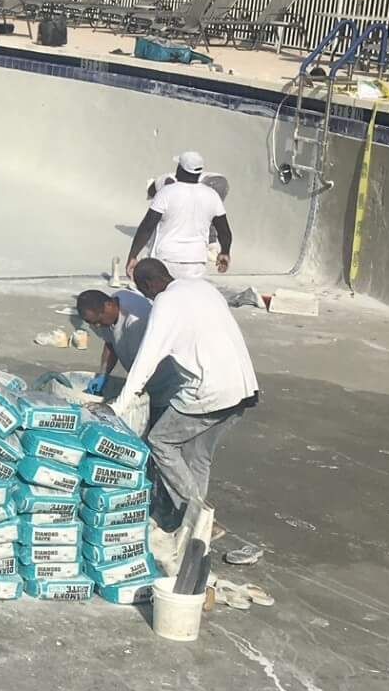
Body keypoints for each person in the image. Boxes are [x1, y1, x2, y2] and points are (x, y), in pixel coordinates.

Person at [107, 257, 259, 571]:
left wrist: (117, 407)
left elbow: (146, 361)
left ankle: (198, 513)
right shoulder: (201, 287)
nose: (146, 298)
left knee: (161, 441)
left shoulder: (165, 304)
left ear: (150, 284)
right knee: (197, 455)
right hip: (244, 386)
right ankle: (196, 528)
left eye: (143, 291)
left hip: (210, 391)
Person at [76, 285, 178, 420]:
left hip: (165, 381)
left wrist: (123, 402)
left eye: (98, 321)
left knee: (157, 429)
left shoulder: (136, 320)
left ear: (108, 305)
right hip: (142, 377)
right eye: (92, 323)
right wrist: (103, 374)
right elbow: (110, 343)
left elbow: (144, 364)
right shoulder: (107, 314)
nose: (97, 326)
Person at [127, 150, 231, 280]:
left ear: (180, 169)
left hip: (166, 260)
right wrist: (225, 252)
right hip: (196, 262)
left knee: (164, 297)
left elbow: (147, 227)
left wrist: (133, 256)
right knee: (191, 297)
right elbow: (224, 231)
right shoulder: (212, 195)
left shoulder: (166, 193)